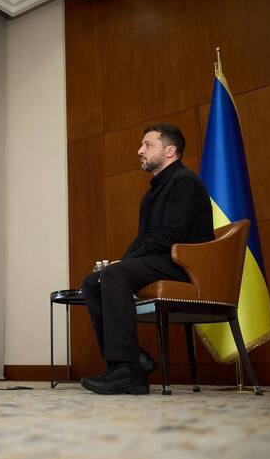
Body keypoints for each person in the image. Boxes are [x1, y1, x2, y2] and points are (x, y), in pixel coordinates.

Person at [80, 123, 214, 395]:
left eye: (147, 145)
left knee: (114, 275)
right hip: (163, 260)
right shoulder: (152, 194)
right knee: (93, 282)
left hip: (186, 265)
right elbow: (144, 240)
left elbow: (171, 235)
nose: (139, 150)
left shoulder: (186, 183)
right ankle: (131, 362)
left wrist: (124, 266)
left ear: (170, 151)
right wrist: (122, 262)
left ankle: (128, 369)